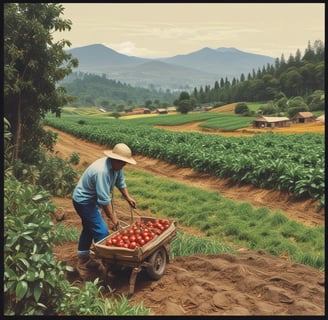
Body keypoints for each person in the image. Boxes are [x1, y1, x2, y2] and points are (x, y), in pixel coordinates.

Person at [72, 143, 137, 277]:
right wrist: (113, 218)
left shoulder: (116, 167)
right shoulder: (102, 171)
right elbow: (104, 200)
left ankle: (83, 258)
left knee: (89, 227)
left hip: (92, 200)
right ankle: (110, 266)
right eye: (123, 163)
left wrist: (128, 197)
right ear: (115, 160)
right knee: (102, 232)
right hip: (84, 201)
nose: (124, 166)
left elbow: (120, 182)